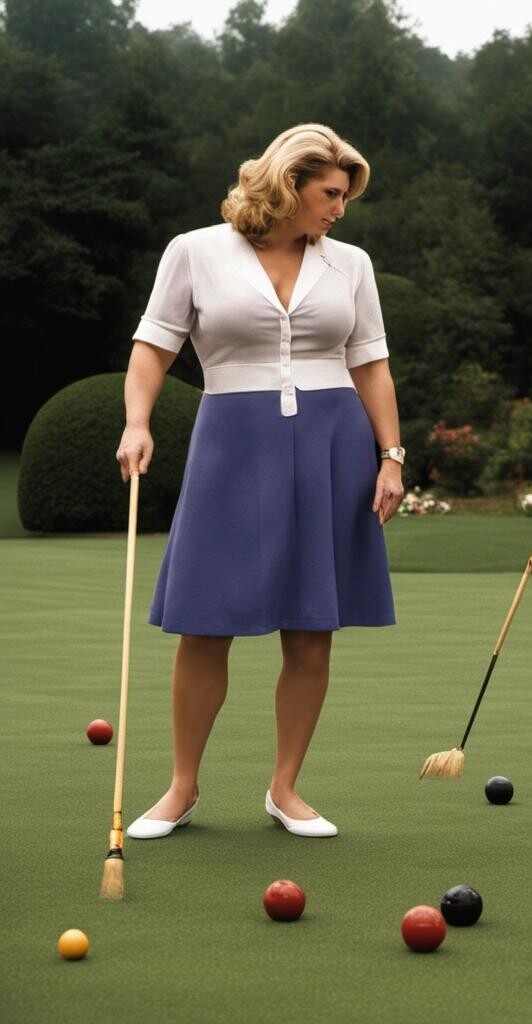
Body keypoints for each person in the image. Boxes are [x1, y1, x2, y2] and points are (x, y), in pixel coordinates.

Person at [116, 124, 404, 840]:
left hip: (333, 442)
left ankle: (285, 788)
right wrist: (136, 422)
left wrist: (392, 454)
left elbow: (370, 363)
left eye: (346, 196)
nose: (340, 208)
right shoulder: (194, 251)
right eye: (330, 193)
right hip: (231, 443)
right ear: (289, 185)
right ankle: (181, 788)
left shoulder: (352, 265)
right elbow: (153, 346)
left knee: (312, 628)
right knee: (205, 624)